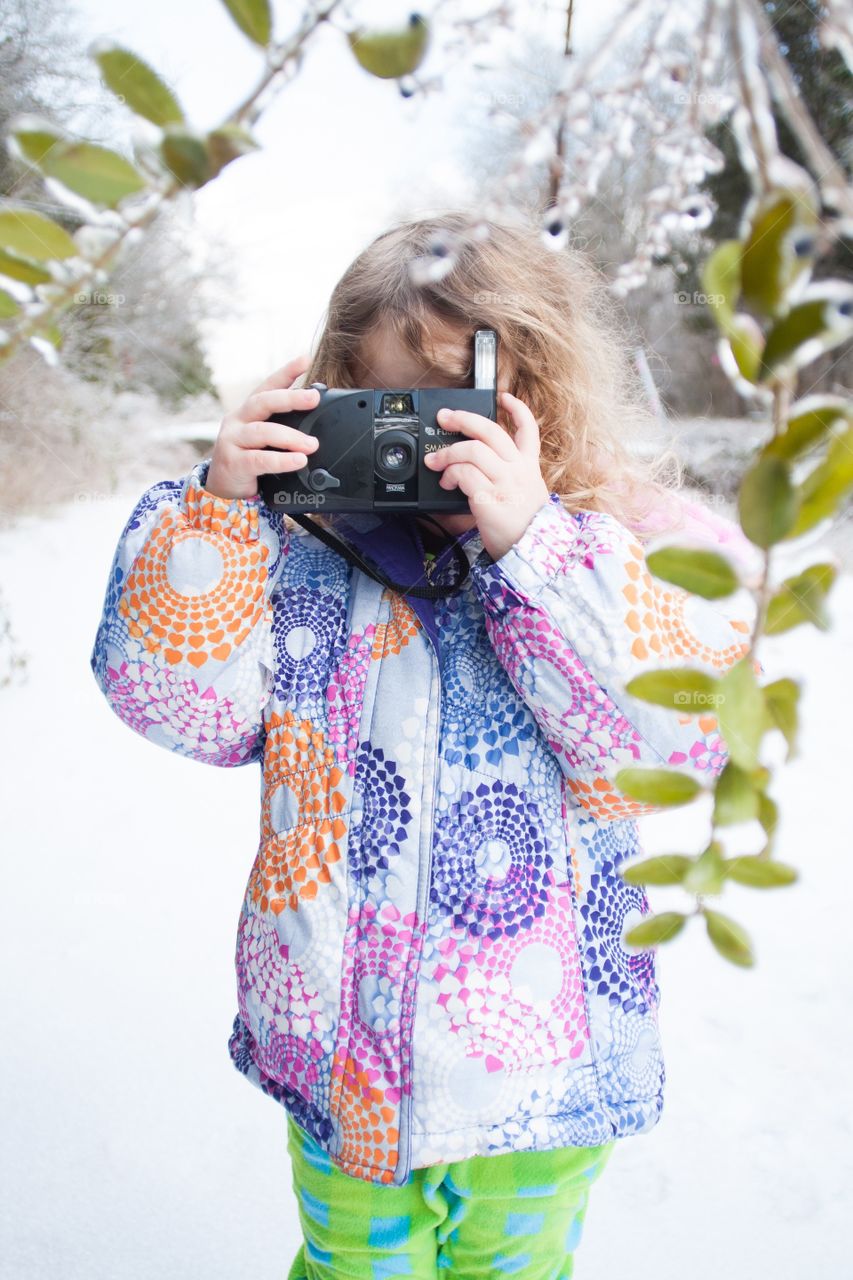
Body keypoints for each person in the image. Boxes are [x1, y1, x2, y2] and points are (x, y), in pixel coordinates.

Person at [90, 211, 758, 1278]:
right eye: (378, 405)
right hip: (336, 1039)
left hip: (541, 1054)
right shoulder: (298, 549)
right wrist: (216, 519)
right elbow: (175, 706)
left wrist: (536, 545)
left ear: (529, 398)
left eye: (446, 411)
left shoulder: (633, 547)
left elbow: (672, 746)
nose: (412, 445)